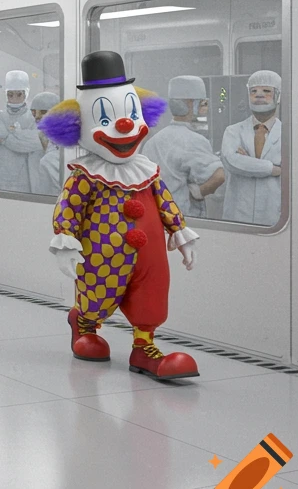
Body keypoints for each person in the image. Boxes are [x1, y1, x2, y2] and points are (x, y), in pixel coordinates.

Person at [38, 51, 201, 381]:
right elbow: (69, 206)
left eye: (131, 114)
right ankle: (84, 324)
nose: (125, 126)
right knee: (98, 290)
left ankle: (144, 347)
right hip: (102, 252)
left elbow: (164, 200)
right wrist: (65, 237)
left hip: (150, 253)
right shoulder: (86, 174)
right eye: (104, 119)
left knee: (152, 293)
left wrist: (179, 231)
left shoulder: (147, 169)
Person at [141, 76, 225, 219]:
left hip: (156, 215)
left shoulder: (153, 141)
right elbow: (219, 176)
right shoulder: (194, 140)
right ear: (190, 104)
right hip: (184, 218)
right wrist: (197, 192)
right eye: (202, 103)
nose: (204, 108)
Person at [220, 70, 282, 225]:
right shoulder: (233, 131)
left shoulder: (289, 134)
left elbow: (293, 169)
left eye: (266, 91)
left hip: (274, 217)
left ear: (278, 96)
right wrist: (273, 169)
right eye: (253, 91)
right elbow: (232, 161)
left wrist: (247, 163)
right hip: (238, 214)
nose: (259, 95)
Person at [0, 70, 39, 192]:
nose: (14, 99)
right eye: (10, 95)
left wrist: (6, 139)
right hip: (0, 178)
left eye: (19, 94)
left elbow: (36, 143)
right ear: (5, 94)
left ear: (26, 94)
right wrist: (20, 136)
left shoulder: (32, 118)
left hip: (23, 179)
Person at [29, 91, 63, 196]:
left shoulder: (51, 159)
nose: (37, 117)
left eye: (43, 112)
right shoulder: (42, 136)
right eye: (34, 113)